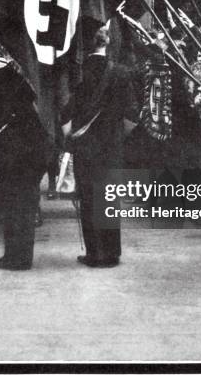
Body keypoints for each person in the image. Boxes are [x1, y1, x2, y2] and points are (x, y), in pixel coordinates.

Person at [64, 26, 133, 268]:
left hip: (85, 146)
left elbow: (66, 115)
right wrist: (116, 136)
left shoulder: (77, 73)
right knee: (109, 197)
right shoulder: (122, 73)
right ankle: (112, 253)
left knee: (89, 198)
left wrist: (73, 137)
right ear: (108, 41)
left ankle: (95, 253)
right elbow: (132, 116)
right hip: (112, 146)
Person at [0, 40, 49, 271]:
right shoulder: (35, 75)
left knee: (9, 202)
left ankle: (13, 256)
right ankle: (24, 255)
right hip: (36, 143)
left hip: (11, 147)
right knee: (28, 202)